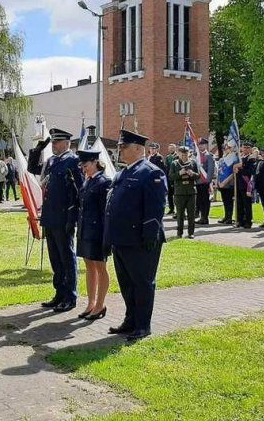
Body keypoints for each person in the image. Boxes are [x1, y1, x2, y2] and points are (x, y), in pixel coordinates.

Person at [104, 129, 167, 342]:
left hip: (141, 240)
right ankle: (130, 320)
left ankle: (142, 325)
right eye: (120, 147)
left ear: (139, 149)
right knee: (126, 284)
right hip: (122, 239)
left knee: (142, 283)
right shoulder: (123, 173)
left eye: (124, 147)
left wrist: (149, 234)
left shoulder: (151, 172)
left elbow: (156, 207)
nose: (120, 150)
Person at [38, 128, 83, 312]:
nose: (54, 145)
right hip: (50, 215)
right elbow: (36, 173)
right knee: (55, 258)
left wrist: (72, 217)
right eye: (53, 142)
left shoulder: (73, 161)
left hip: (64, 216)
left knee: (66, 257)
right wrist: (35, 151)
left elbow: (78, 190)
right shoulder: (52, 161)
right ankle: (59, 292)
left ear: (67, 143)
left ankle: (70, 296)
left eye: (57, 142)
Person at [76, 149, 111, 321]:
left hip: (97, 231)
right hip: (85, 229)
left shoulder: (104, 182)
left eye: (86, 165)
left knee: (100, 267)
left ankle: (100, 304)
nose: (84, 169)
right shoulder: (88, 181)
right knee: (89, 267)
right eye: (82, 166)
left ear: (95, 162)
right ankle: (91, 303)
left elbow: (106, 212)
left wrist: (106, 235)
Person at [169, 145, 198, 238]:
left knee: (191, 214)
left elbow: (198, 175)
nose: (184, 157)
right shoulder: (174, 163)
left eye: (186, 155)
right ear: (178, 154)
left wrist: (192, 174)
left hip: (191, 192)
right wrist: (179, 173)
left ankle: (191, 233)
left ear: (188, 154)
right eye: (182, 155)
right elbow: (170, 176)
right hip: (179, 192)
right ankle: (179, 233)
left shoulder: (193, 163)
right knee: (180, 214)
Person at [234, 141, 257, 229]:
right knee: (239, 204)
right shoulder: (240, 158)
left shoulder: (251, 159)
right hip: (239, 184)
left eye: (248, 147)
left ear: (251, 149)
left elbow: (251, 171)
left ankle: (248, 221)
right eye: (244, 147)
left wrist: (239, 170)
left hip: (246, 184)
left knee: (247, 204)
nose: (246, 149)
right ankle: (240, 220)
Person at [195, 138, 216, 224]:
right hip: (198, 182)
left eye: (202, 144)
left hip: (205, 182)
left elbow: (210, 170)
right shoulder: (197, 156)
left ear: (206, 145)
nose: (201, 146)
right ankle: (201, 217)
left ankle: (205, 217)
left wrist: (208, 181)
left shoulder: (209, 156)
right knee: (199, 200)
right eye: (199, 144)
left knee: (205, 200)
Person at [217, 143, 237, 224]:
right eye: (224, 149)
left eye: (227, 148)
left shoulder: (233, 159)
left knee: (229, 201)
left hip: (229, 184)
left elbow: (233, 173)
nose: (225, 150)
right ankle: (226, 216)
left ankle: (229, 217)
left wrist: (224, 182)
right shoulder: (221, 159)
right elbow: (219, 171)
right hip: (221, 183)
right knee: (224, 201)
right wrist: (219, 182)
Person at [165, 143, 177, 214]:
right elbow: (166, 168)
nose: (170, 150)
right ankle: (171, 208)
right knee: (169, 195)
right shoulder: (167, 157)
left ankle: (177, 209)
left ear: (175, 149)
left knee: (176, 194)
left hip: (175, 178)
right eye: (169, 149)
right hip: (168, 178)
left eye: (172, 148)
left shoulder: (177, 156)